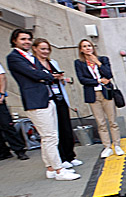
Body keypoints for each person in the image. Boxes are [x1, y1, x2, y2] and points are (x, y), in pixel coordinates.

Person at [5, 29, 79, 181]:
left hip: (47, 98)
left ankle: (51, 168)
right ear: (14, 41)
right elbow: (37, 74)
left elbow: (42, 73)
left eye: (28, 39)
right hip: (36, 101)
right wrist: (45, 76)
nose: (26, 41)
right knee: (50, 137)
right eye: (23, 39)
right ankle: (59, 170)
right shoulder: (13, 57)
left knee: (49, 137)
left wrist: (44, 76)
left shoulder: (31, 57)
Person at [32, 38, 82, 170]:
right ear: (35, 48)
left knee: (66, 128)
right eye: (42, 49)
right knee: (54, 131)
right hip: (47, 99)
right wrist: (51, 77)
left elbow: (59, 80)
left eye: (47, 49)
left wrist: (61, 78)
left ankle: (71, 156)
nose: (45, 52)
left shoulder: (52, 62)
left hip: (60, 97)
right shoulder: (33, 64)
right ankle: (61, 158)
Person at [74, 39, 124, 158]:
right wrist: (98, 80)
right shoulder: (79, 63)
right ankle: (107, 146)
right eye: (84, 46)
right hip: (93, 94)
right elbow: (82, 80)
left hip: (106, 93)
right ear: (81, 49)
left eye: (89, 46)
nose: (87, 48)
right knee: (100, 122)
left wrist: (98, 63)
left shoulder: (103, 59)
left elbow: (109, 75)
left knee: (112, 120)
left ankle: (117, 144)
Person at [0, 56, 30, 162]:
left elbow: (2, 77)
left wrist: (1, 94)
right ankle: (3, 152)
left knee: (6, 125)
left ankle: (19, 150)